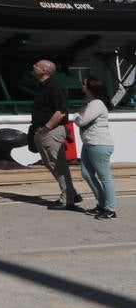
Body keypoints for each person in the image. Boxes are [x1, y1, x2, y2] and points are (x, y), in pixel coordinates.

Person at [31, 59, 82, 211]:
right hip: (44, 130)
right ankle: (71, 193)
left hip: (51, 131)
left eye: (37, 65)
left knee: (58, 165)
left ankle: (68, 199)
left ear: (44, 71)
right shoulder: (43, 87)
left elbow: (61, 111)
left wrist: (46, 128)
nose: (34, 66)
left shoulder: (53, 87)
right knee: (50, 163)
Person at [74, 76, 116, 219]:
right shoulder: (92, 102)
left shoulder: (97, 103)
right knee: (86, 174)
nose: (82, 85)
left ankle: (110, 209)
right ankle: (102, 204)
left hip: (99, 143)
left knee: (105, 177)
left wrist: (76, 116)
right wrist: (80, 115)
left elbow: (82, 120)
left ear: (90, 87)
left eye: (84, 83)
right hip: (89, 143)